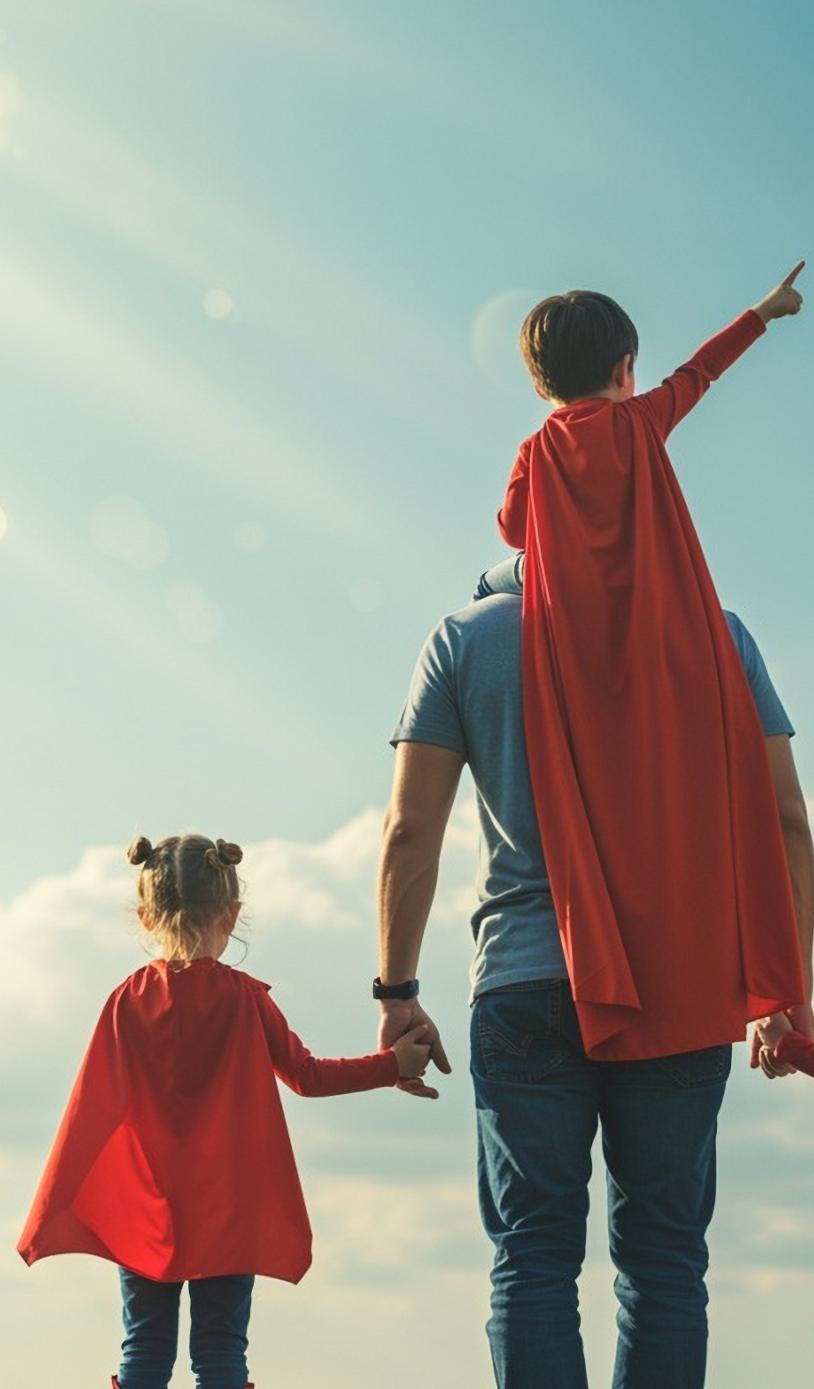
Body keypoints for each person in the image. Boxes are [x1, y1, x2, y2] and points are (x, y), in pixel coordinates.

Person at [376, 557, 814, 1387]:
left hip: (524, 980)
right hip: (681, 988)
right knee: (666, 1259)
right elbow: (787, 818)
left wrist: (397, 990)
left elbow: (409, 828)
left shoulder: (466, 639)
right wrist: (787, 987)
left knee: (533, 1254)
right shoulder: (719, 634)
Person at [496, 267, 807, 1061]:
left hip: (574, 662)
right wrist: (764, 311)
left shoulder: (536, 450)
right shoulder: (640, 422)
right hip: (667, 651)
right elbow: (701, 371)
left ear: (540, 382)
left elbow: (512, 530)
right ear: (625, 368)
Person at [16, 833, 430, 1389]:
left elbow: (92, 1108)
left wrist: (67, 1202)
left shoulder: (126, 1001)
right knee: (220, 1353)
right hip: (230, 1206)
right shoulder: (245, 998)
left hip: (150, 1207)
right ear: (231, 914)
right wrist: (391, 1064)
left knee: (144, 1350)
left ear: (144, 916)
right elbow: (307, 1077)